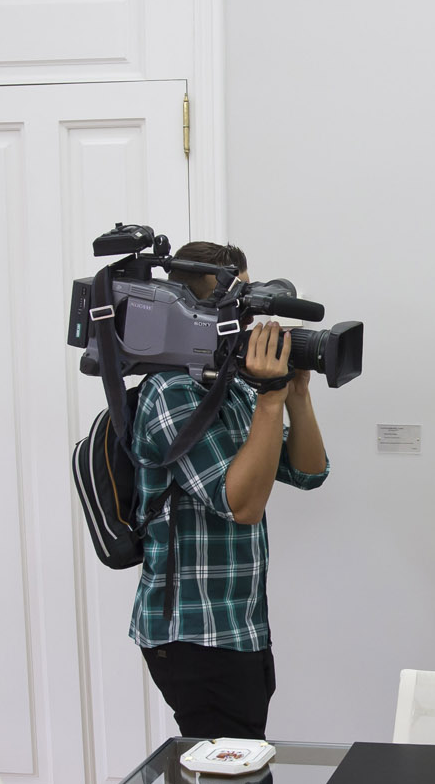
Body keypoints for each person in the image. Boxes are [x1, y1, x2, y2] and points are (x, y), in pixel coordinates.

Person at [130, 241, 329, 744]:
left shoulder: (232, 385)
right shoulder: (171, 391)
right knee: (227, 776)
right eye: (236, 306)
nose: (247, 322)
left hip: (240, 626)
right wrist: (270, 400)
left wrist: (296, 394)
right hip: (194, 632)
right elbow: (241, 504)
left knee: (240, 766)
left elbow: (310, 472)